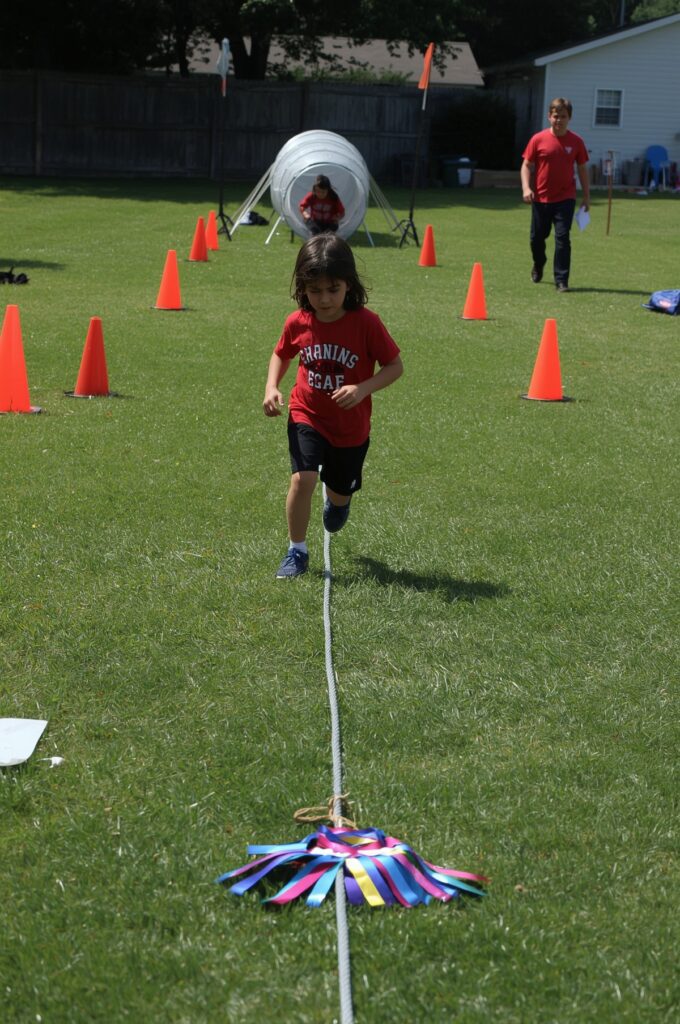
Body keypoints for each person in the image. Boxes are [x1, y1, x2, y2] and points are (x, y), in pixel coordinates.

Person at [263, 234, 403, 579]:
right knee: (303, 479)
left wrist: (363, 387)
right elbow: (281, 353)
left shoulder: (367, 323)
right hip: (306, 414)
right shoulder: (297, 321)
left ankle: (339, 501)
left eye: (333, 289)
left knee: (338, 498)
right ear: (302, 287)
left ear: (349, 285)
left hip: (350, 428)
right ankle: (297, 550)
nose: (324, 299)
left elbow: (395, 366)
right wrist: (271, 387)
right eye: (315, 290)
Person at [520, 97, 590, 293]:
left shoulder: (576, 142)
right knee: (536, 239)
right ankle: (538, 263)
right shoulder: (538, 139)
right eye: (556, 116)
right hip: (541, 199)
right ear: (549, 117)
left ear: (570, 118)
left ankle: (561, 280)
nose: (559, 120)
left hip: (565, 198)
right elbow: (526, 165)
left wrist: (586, 197)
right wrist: (526, 188)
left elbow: (582, 169)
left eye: (563, 117)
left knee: (563, 238)